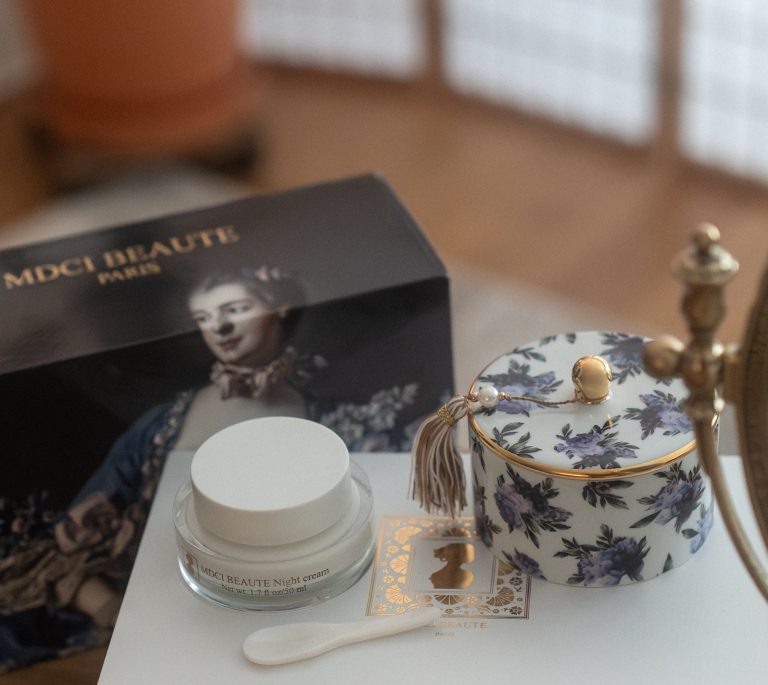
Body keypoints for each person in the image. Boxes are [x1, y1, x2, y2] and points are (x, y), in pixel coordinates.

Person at [0, 265, 316, 671]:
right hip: (153, 606)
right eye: (203, 318)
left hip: (283, 601)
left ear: (279, 307)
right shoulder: (162, 423)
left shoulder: (332, 414)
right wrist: (109, 601)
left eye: (235, 309)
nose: (219, 328)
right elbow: (72, 534)